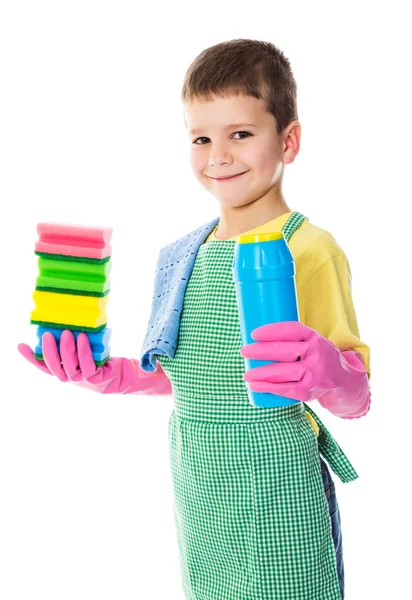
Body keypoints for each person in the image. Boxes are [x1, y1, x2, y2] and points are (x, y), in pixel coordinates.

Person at [18, 38, 371, 600]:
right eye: (201, 137)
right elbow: (184, 373)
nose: (218, 155)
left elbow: (356, 396)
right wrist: (106, 375)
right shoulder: (182, 253)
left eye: (241, 133)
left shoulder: (310, 248)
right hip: (198, 479)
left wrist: (329, 370)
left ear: (289, 140)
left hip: (277, 479)